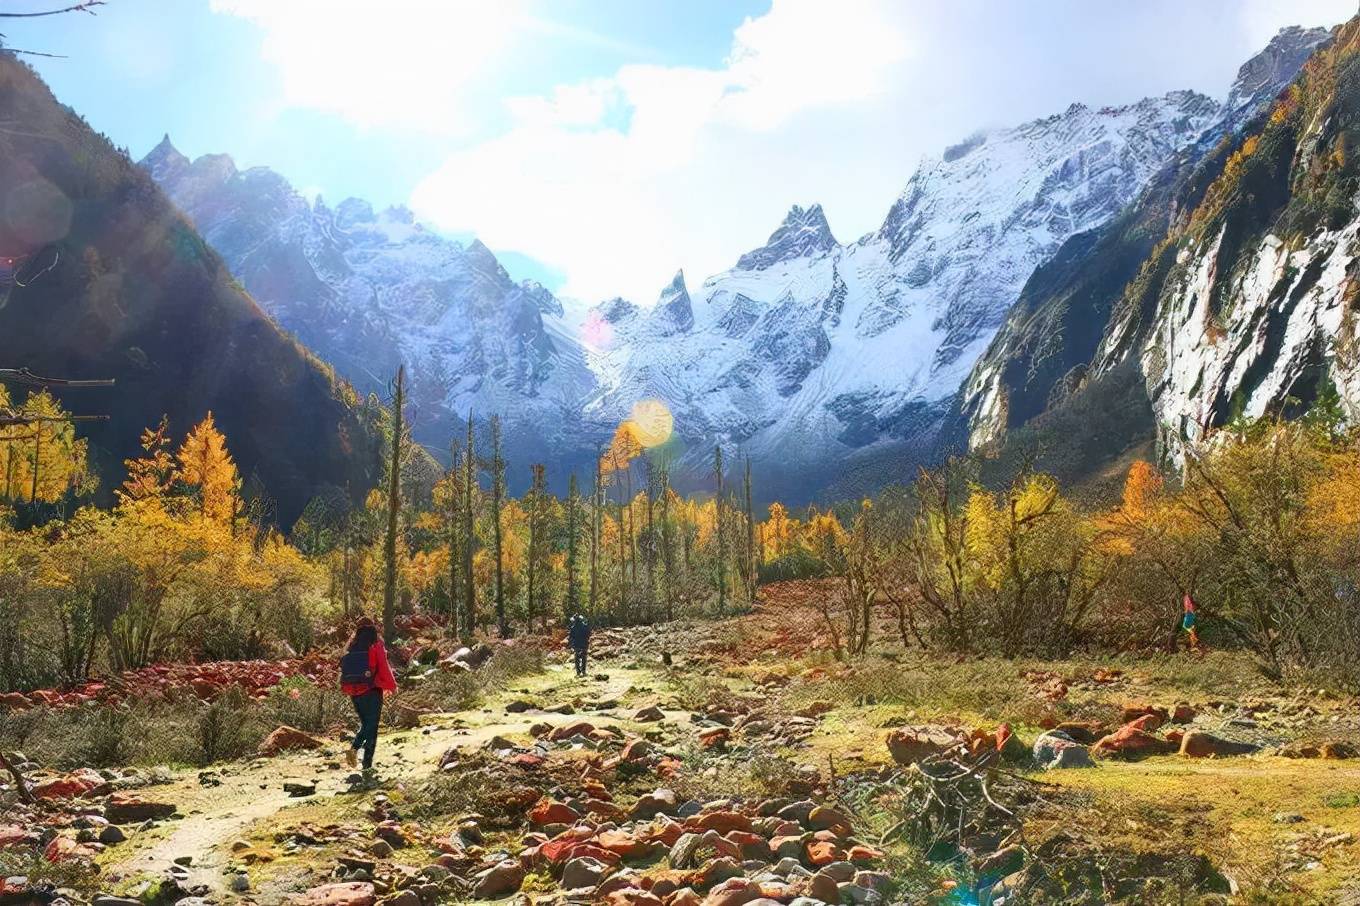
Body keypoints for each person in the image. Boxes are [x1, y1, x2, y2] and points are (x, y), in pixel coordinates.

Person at [339, 617, 397, 771]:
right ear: (373, 627)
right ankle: (360, 755)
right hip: (372, 690)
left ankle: (364, 762)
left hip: (354, 692)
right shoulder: (375, 643)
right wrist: (392, 686)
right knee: (372, 726)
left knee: (366, 725)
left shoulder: (352, 645)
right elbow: (384, 666)